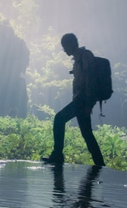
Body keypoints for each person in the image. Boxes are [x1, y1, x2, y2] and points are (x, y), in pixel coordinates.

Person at [42, 33, 105, 167]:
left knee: (59, 119)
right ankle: (100, 164)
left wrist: (89, 104)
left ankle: (57, 155)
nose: (64, 50)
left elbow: (90, 81)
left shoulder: (85, 56)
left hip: (83, 100)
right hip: (81, 100)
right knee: (87, 134)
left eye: (64, 47)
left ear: (71, 44)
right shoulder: (78, 59)